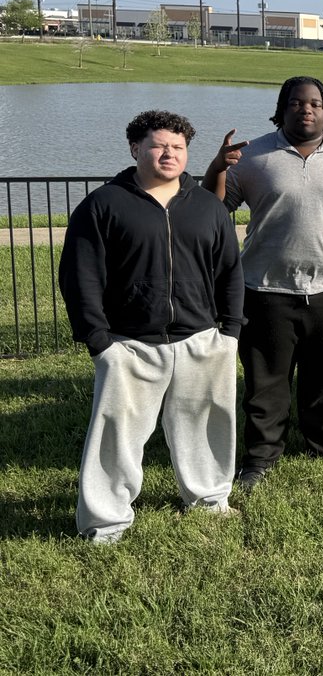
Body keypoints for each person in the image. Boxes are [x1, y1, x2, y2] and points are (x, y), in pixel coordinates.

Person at [60, 110, 244, 543]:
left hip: (202, 340)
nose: (169, 153)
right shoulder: (104, 204)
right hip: (129, 345)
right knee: (116, 437)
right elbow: (80, 275)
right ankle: (105, 522)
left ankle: (209, 499)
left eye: (178, 147)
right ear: (135, 148)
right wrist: (99, 340)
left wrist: (231, 331)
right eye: (159, 145)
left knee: (206, 426)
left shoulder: (206, 207)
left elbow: (230, 271)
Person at [204, 77, 323, 492]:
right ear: (282, 107)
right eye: (297, 103)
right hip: (265, 288)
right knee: (266, 381)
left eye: (316, 104)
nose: (306, 110)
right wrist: (216, 168)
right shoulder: (252, 158)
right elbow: (213, 212)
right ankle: (261, 457)